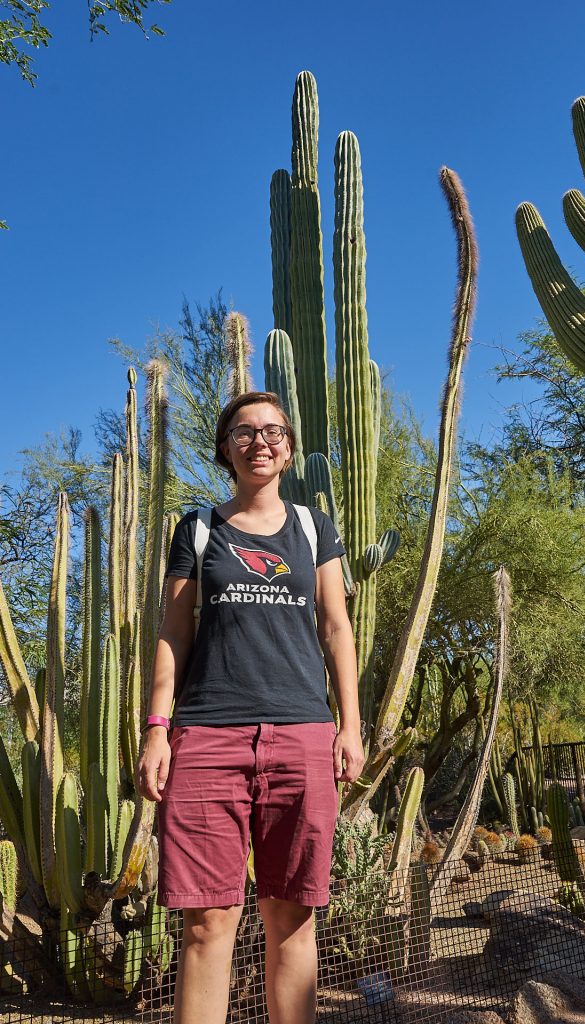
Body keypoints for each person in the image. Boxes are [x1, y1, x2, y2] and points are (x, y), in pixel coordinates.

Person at [135, 391, 365, 1024]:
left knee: (292, 916)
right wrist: (158, 730)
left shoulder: (314, 527)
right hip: (209, 737)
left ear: (289, 447)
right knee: (208, 921)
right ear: (225, 448)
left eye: (274, 430)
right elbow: (173, 631)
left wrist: (351, 724)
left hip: (301, 734)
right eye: (244, 431)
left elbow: (337, 628)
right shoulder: (200, 528)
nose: (260, 440)